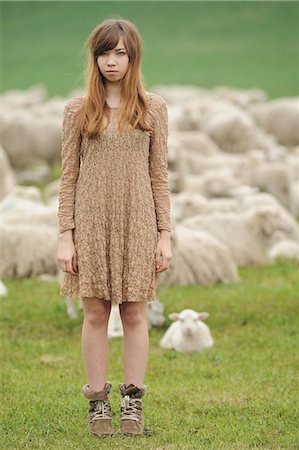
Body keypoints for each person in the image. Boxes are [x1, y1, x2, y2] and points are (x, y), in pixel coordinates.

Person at [56, 17, 172, 438]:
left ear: (132, 56)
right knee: (95, 311)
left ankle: (133, 403)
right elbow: (68, 176)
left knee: (136, 312)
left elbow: (158, 175)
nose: (111, 61)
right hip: (90, 221)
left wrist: (164, 234)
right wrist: (65, 236)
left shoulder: (153, 107)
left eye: (120, 52)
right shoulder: (76, 110)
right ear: (95, 57)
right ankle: (97, 402)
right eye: (104, 52)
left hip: (138, 218)